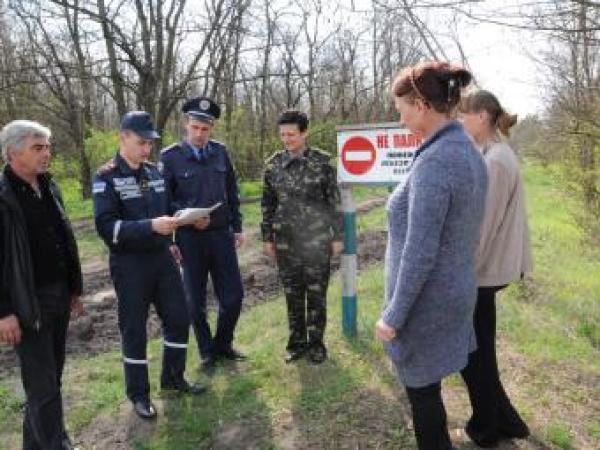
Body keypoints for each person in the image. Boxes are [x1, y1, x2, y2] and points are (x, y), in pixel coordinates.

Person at [374, 62, 487, 450]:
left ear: (421, 104)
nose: (400, 116)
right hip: (455, 288)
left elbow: (420, 253)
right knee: (429, 389)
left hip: (427, 301)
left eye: (401, 107)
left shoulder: (435, 162)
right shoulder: (468, 150)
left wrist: (393, 315)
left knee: (422, 393)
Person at [93, 111, 205, 420]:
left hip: (162, 259)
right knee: (134, 330)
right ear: (123, 137)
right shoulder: (106, 177)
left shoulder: (155, 173)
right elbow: (107, 228)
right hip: (130, 264)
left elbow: (167, 209)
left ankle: (172, 379)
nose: (147, 149)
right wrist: (149, 226)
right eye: (142, 142)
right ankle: (139, 395)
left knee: (179, 317)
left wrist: (187, 217)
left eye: (150, 144)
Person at [0, 120, 83, 449]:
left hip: (58, 296)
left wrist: (74, 288)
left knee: (49, 380)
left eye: (48, 146)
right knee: (43, 385)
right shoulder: (3, 197)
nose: (47, 153)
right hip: (25, 304)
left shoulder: (49, 186)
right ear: (12, 152)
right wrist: (4, 311)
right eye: (38, 147)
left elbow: (64, 238)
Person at [458, 90, 532, 447]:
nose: (459, 121)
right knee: (480, 352)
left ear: (483, 117)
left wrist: (461, 273)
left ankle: (485, 429)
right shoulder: (493, 154)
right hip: (487, 271)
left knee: (473, 357)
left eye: (464, 115)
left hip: (484, 272)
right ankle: (508, 423)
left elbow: (482, 228)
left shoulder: (496, 161)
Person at [160, 97, 246, 372]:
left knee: (233, 296)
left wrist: (238, 226)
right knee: (194, 301)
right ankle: (207, 351)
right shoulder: (170, 157)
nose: (199, 134)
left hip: (221, 235)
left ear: (211, 129)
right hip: (190, 239)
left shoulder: (220, 153)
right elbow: (164, 201)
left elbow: (232, 192)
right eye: (195, 127)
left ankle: (223, 344)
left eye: (205, 129)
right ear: (186, 125)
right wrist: (185, 218)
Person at [260, 110, 343, 364]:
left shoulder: (322, 163)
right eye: (283, 135)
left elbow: (334, 203)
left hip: (316, 241)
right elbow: (267, 204)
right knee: (293, 294)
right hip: (286, 242)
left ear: (304, 132)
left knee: (316, 295)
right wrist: (267, 238)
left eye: (292, 134)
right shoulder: (273, 165)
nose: (286, 139)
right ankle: (297, 343)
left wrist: (338, 236)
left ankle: (317, 344)